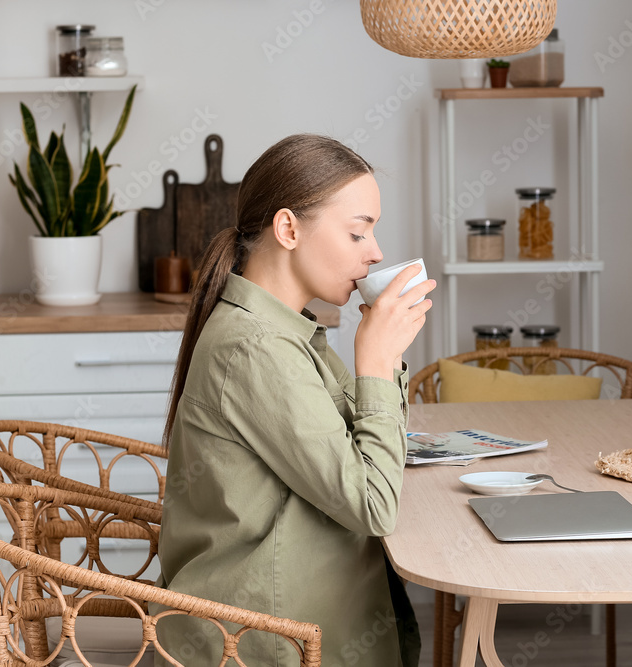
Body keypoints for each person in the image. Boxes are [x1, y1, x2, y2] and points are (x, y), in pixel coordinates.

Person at [153, 134, 435, 666]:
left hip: (285, 618)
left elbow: (360, 452)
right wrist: (375, 362)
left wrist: (384, 360)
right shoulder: (257, 348)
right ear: (288, 228)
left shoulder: (285, 331)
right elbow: (372, 504)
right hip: (266, 640)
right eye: (358, 232)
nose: (375, 253)